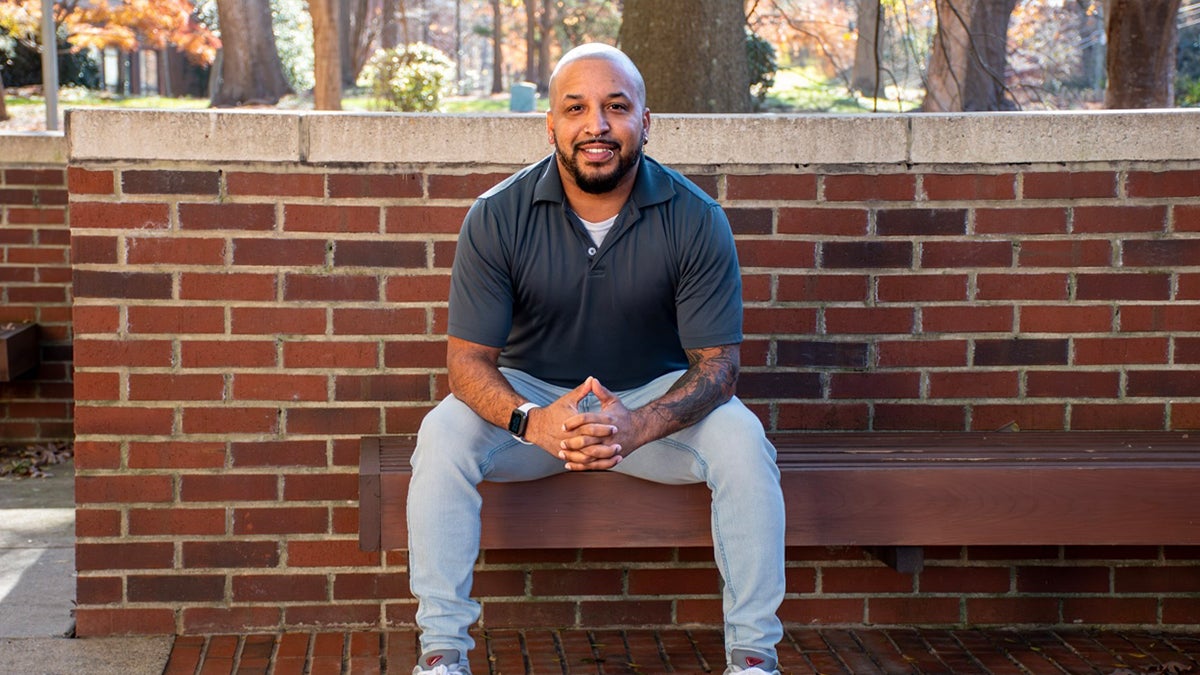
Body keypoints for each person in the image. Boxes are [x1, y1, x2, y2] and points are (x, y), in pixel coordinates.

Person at [406, 43, 786, 675]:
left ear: (644, 120)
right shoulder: (496, 216)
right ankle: (442, 653)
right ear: (550, 122)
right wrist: (535, 419)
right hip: (529, 407)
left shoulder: (695, 217)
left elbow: (718, 367)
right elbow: (468, 364)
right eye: (576, 107)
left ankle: (753, 658)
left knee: (745, 442)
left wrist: (638, 423)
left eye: (616, 106)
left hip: (652, 409)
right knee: (442, 433)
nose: (597, 125)